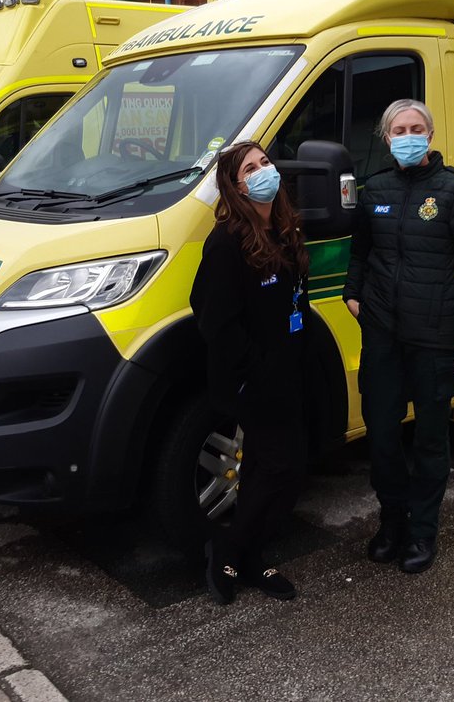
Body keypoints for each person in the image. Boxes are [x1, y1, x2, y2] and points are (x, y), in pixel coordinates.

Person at [343, 99, 454, 574]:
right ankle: (392, 524)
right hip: (383, 339)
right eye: (398, 130)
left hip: (434, 340)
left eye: (416, 128)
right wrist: (354, 296)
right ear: (387, 139)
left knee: (430, 442)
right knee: (384, 439)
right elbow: (360, 254)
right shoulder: (376, 190)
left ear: (429, 136)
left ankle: (422, 533)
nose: (407, 136)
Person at [189, 141, 310, 604]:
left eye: (266, 162)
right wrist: (255, 373)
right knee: (280, 465)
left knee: (270, 467)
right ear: (235, 186)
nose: (263, 171)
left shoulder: (284, 228)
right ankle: (227, 549)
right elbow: (213, 315)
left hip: (289, 371)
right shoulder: (227, 241)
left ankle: (249, 558)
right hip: (255, 381)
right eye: (250, 168)